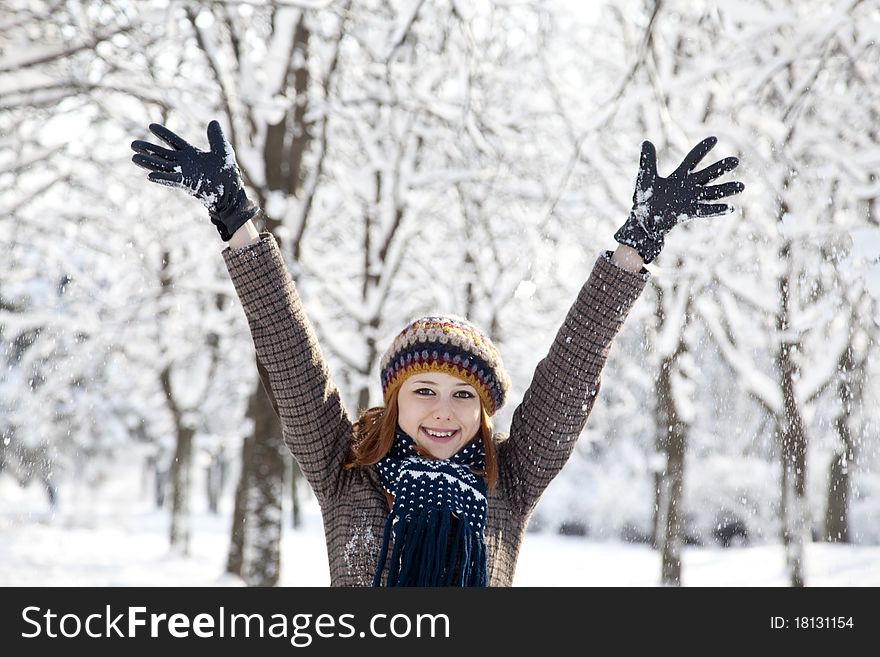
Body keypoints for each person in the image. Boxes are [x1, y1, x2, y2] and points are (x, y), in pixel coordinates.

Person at [131, 121, 744, 586]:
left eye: (463, 396)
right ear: (395, 399)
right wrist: (234, 219)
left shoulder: (510, 480)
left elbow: (572, 367)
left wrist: (637, 245)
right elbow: (289, 353)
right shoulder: (344, 474)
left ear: (484, 411)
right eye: (424, 391)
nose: (443, 411)